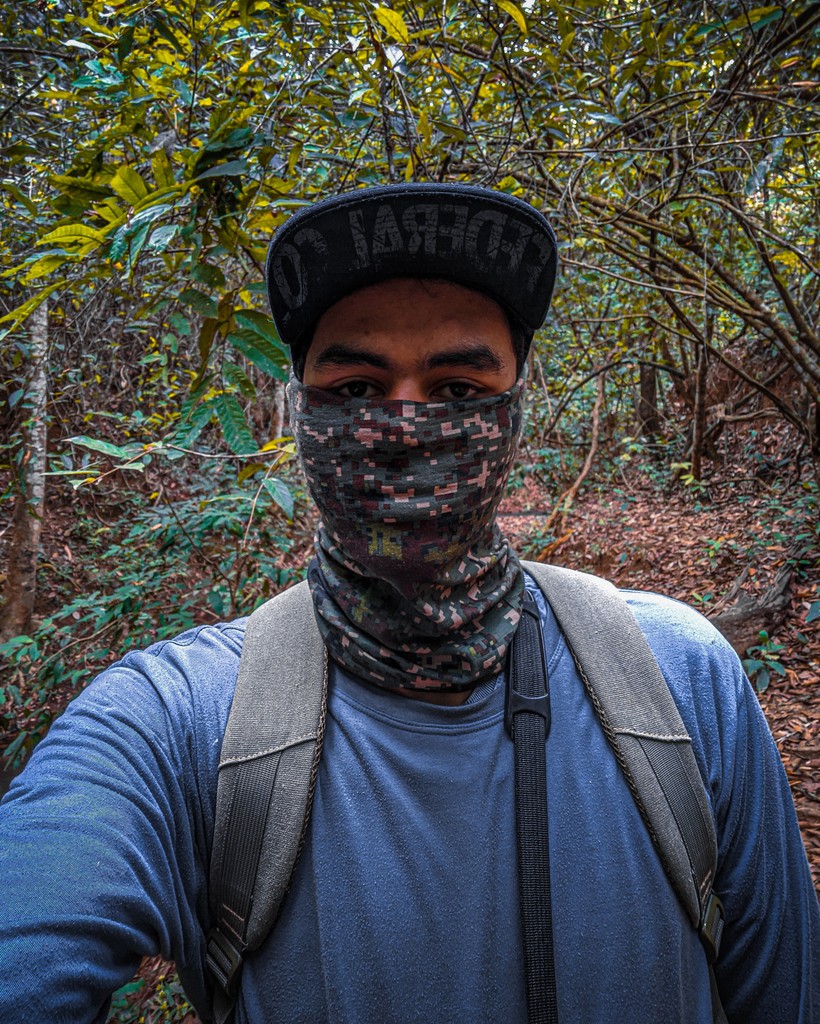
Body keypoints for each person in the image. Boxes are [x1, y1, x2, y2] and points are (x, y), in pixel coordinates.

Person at [0, 183, 817, 1024]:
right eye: (356, 389)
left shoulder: (682, 685)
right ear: (301, 411)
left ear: (515, 412)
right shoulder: (177, 722)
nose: (401, 429)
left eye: (458, 390)